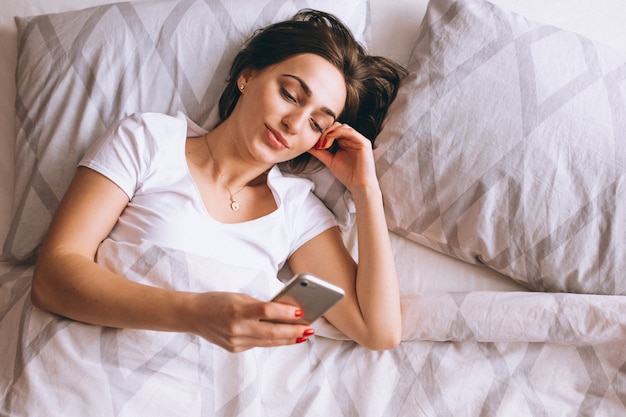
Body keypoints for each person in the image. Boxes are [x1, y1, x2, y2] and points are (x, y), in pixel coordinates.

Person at [31, 9, 407, 352]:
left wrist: (365, 190)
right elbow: (52, 277)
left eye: (316, 124)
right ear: (248, 76)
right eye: (290, 94)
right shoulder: (148, 140)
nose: (294, 124)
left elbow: (379, 332)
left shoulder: (297, 211)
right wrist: (195, 314)